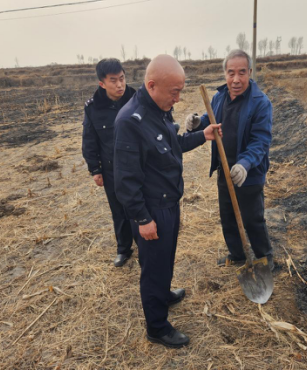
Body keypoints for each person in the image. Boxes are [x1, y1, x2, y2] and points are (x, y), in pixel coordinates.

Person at [114, 55, 222, 349]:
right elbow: (124, 180)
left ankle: (162, 294)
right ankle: (157, 327)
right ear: (152, 85)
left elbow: (172, 146)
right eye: (174, 91)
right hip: (152, 210)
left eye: (181, 90)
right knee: (154, 267)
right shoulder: (130, 121)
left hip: (169, 203)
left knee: (165, 259)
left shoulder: (159, 110)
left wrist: (203, 135)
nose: (178, 98)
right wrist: (142, 219)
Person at [185, 49, 274, 270]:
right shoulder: (219, 97)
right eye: (231, 72)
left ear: (250, 72)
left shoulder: (260, 103)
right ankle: (237, 254)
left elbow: (260, 141)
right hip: (224, 166)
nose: (236, 79)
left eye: (242, 73)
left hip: (249, 172)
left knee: (253, 218)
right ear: (225, 73)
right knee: (228, 215)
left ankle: (265, 257)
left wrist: (244, 164)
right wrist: (198, 122)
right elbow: (210, 119)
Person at [82, 59, 136, 268]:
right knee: (118, 209)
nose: (120, 85)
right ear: (102, 83)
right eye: (113, 81)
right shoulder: (94, 108)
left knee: (141, 205)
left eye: (122, 79)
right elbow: (89, 139)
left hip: (138, 164)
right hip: (111, 167)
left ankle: (145, 244)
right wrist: (95, 169)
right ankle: (124, 249)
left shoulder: (137, 99)